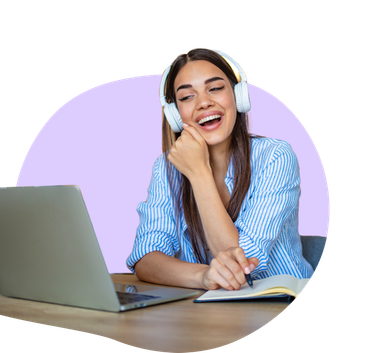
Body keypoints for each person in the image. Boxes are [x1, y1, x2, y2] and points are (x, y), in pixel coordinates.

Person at [126, 48, 313, 291]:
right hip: (209, 313)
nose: (204, 102)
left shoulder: (275, 157)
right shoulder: (167, 168)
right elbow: (146, 256)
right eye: (186, 97)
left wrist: (199, 173)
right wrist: (204, 276)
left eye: (215, 88)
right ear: (175, 114)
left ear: (238, 95)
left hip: (277, 302)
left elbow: (243, 265)